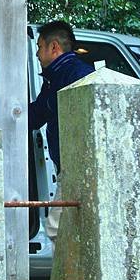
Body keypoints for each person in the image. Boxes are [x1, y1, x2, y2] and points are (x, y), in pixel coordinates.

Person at [28, 20, 94, 242]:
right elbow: (36, 115)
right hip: (70, 167)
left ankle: (69, 278)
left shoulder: (76, 76)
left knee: (57, 228)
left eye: (39, 46)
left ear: (53, 47)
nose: (37, 53)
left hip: (78, 166)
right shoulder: (56, 77)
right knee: (65, 227)